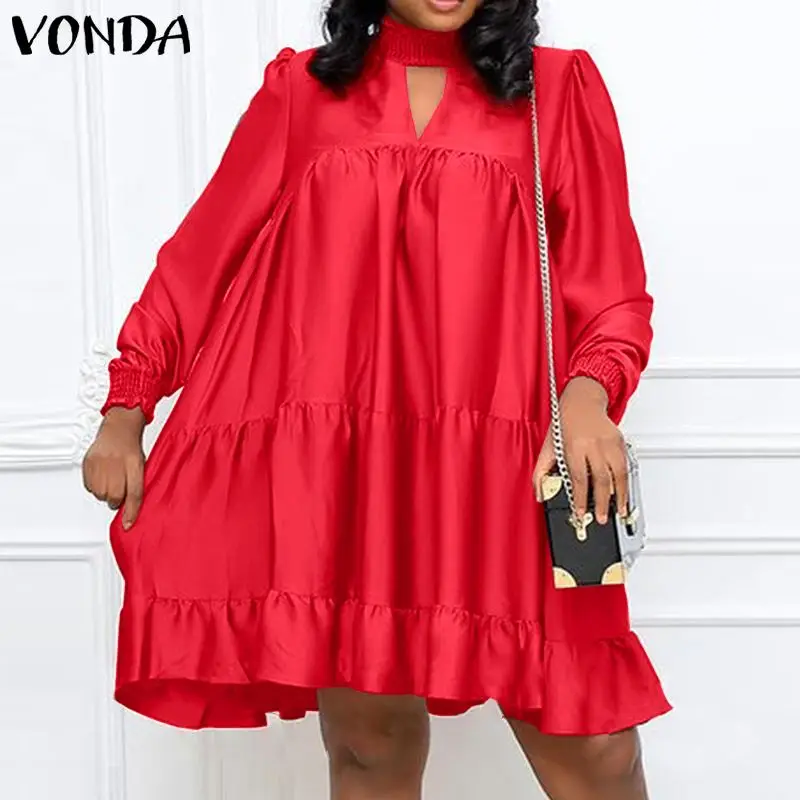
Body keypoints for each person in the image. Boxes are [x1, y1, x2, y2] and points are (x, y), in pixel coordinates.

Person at [82, 1, 671, 797]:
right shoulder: (301, 92)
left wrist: (590, 394)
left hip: (509, 465)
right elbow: (200, 260)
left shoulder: (557, 91)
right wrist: (128, 406)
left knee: (595, 745)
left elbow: (612, 292)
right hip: (347, 475)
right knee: (369, 744)